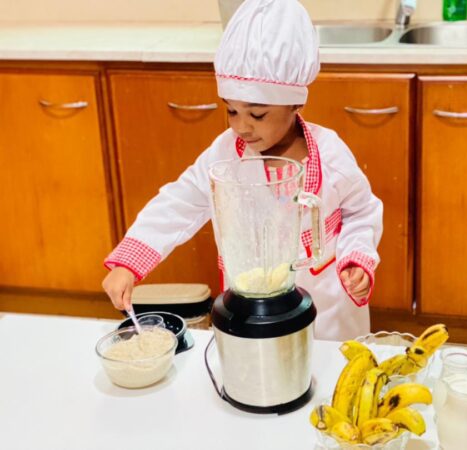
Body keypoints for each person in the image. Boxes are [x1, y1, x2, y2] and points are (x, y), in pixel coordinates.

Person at [102, 0, 383, 341]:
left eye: (257, 114)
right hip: (252, 314)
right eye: (232, 111)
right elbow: (179, 202)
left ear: (295, 102)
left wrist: (357, 258)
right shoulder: (223, 157)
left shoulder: (330, 153)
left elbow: (362, 212)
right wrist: (129, 262)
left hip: (329, 316)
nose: (242, 127)